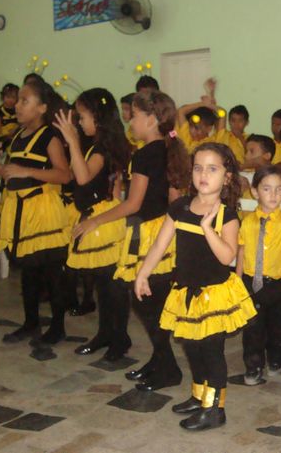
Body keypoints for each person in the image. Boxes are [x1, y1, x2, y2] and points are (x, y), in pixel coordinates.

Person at [135, 143, 257, 431]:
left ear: (227, 177)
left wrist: (207, 228)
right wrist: (143, 273)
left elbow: (227, 256)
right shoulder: (179, 207)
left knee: (211, 352)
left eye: (212, 169)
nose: (204, 174)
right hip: (185, 292)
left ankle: (214, 409)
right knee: (192, 347)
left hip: (214, 295)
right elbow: (160, 243)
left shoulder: (227, 215)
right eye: (198, 168)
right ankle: (199, 396)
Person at [73, 90, 190, 369]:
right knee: (151, 302)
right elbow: (174, 198)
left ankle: (166, 365)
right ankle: (161, 362)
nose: (130, 122)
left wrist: (95, 221)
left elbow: (133, 203)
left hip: (147, 233)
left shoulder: (145, 154)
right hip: (163, 229)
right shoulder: (168, 148)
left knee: (145, 302)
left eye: (135, 116)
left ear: (151, 119)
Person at [0, 80, 71, 345]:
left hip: (44, 213)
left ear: (42, 107)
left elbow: (64, 175)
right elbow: (11, 174)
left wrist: (27, 171)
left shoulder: (50, 136)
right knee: (28, 273)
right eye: (19, 101)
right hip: (21, 213)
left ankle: (57, 327)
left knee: (51, 273)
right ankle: (31, 322)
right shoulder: (18, 137)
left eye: (25, 101)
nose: (18, 106)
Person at [53, 88, 131, 360]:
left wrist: (72, 141)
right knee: (102, 284)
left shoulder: (103, 148)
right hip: (95, 216)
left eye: (82, 116)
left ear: (98, 117)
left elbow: (84, 178)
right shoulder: (96, 145)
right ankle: (106, 333)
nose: (79, 122)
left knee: (113, 285)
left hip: (103, 221)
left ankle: (119, 338)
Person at [236, 165, 281, 385]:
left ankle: (278, 361)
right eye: (267, 189)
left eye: (279, 189)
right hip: (252, 282)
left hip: (280, 284)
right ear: (255, 192)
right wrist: (238, 280)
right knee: (253, 328)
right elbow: (241, 251)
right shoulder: (247, 222)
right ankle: (253, 367)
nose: (273, 195)